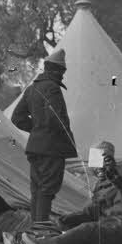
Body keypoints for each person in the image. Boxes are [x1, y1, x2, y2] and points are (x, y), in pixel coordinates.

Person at [22, 140, 122, 244]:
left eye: (102, 162)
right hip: (112, 233)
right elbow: (91, 212)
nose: (99, 168)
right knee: (75, 231)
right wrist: (64, 220)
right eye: (95, 163)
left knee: (88, 229)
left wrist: (113, 170)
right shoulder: (100, 185)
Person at [10, 47, 77, 225]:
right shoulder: (53, 89)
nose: (62, 75)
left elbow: (17, 118)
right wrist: (46, 131)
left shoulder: (31, 89)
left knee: (37, 190)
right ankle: (40, 230)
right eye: (62, 72)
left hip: (35, 147)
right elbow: (56, 118)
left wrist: (37, 130)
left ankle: (36, 229)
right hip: (52, 149)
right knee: (47, 190)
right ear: (57, 70)